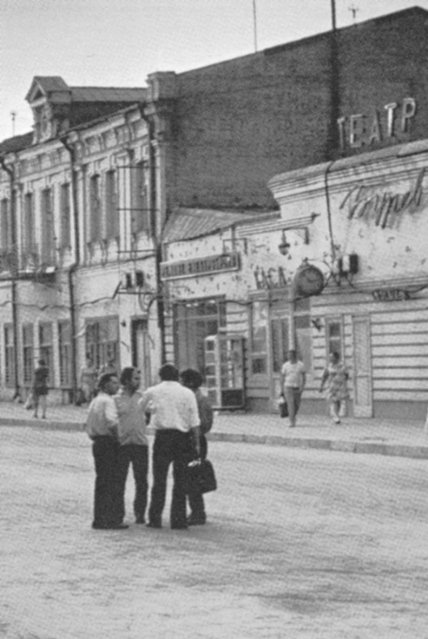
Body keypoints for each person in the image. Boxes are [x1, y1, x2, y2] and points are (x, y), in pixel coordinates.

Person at [141, 363, 201, 530]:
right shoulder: (187, 393)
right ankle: (178, 519)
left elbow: (141, 407)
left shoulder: (153, 391)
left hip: (162, 438)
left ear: (160, 376)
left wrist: (152, 412)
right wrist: (196, 444)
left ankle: (155, 518)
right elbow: (194, 421)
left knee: (159, 479)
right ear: (177, 376)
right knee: (181, 480)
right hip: (182, 439)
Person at [85, 372, 128, 530]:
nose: (117, 386)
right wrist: (119, 439)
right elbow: (112, 422)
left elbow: (88, 423)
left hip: (98, 442)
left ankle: (100, 518)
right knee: (112, 482)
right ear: (105, 385)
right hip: (109, 443)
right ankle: (112, 519)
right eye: (114, 383)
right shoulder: (108, 401)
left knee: (102, 481)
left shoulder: (96, 400)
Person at [115, 367, 149, 525]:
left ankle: (140, 513)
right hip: (122, 444)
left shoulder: (142, 397)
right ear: (126, 380)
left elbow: (148, 415)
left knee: (141, 481)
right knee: (119, 481)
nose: (138, 382)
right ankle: (118, 514)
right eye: (135, 379)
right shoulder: (116, 399)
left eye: (139, 378)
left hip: (140, 444)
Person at [180, 368, 214, 526]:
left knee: (192, 475)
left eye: (182, 381)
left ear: (190, 383)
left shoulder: (197, 400)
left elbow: (204, 423)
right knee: (191, 474)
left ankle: (198, 512)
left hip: (195, 441)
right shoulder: (200, 398)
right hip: (196, 440)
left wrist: (192, 431)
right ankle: (196, 511)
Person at [319, 351, 349, 424]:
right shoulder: (329, 366)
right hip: (331, 387)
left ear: (336, 358)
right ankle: (335, 416)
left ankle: (336, 415)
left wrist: (342, 381)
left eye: (332, 357)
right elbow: (324, 376)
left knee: (338, 401)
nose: (330, 358)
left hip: (340, 386)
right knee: (332, 400)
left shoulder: (342, 366)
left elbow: (346, 375)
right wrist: (321, 386)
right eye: (330, 357)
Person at [280, 349, 306, 428]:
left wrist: (302, 386)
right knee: (290, 404)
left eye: (291, 355)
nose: (289, 357)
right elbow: (282, 377)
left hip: (297, 387)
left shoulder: (300, 365)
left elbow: (304, 377)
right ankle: (292, 421)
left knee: (297, 404)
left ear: (295, 356)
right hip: (288, 386)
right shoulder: (285, 365)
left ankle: (293, 416)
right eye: (288, 355)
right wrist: (281, 388)